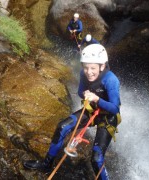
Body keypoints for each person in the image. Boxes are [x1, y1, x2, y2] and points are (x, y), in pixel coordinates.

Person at [23, 44, 121, 180]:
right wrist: (86, 94)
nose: (89, 72)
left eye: (93, 68)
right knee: (62, 127)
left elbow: (115, 108)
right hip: (91, 110)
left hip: (108, 117)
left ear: (102, 66)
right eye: (86, 67)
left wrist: (97, 99)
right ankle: (46, 165)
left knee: (96, 158)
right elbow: (81, 92)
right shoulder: (84, 74)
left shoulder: (111, 80)